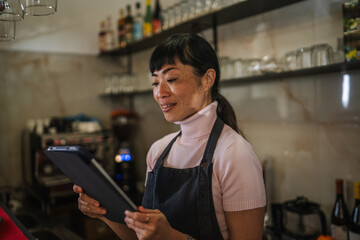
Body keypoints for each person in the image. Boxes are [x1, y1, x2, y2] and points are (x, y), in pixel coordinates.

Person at [73, 33, 266, 240]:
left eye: (171, 79)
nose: (160, 92)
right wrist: (102, 211)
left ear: (208, 79)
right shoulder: (158, 151)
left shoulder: (235, 154)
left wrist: (171, 237)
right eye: (155, 83)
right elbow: (140, 236)